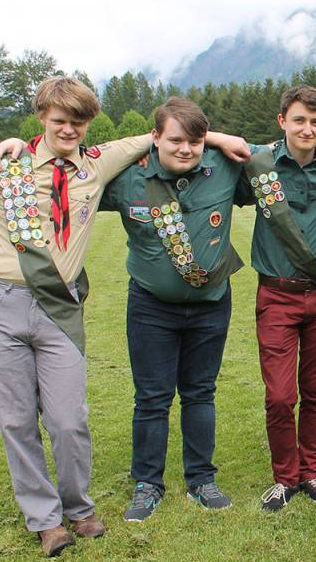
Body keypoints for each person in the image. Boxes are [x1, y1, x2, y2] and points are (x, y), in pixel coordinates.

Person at [0, 76, 154, 556]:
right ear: (42, 117)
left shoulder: (95, 165)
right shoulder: (8, 165)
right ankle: (45, 520)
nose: (69, 130)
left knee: (68, 418)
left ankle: (79, 508)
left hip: (59, 309)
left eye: (79, 122)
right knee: (16, 420)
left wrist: (222, 136)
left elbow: (158, 134)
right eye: (60, 121)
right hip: (1, 305)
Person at [98, 98, 249, 521]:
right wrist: (13, 146)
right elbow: (78, 162)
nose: (185, 149)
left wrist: (216, 139)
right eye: (175, 140)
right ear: (155, 138)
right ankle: (148, 483)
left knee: (200, 392)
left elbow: (288, 147)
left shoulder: (224, 165)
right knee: (152, 398)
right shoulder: (127, 177)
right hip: (150, 306)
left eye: (195, 141)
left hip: (210, 304)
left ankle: (201, 479)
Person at [243, 85, 316, 512]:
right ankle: (285, 477)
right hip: (277, 295)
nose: (307, 129)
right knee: (280, 396)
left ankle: (311, 472)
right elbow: (204, 139)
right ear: (282, 120)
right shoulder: (259, 163)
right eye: (299, 120)